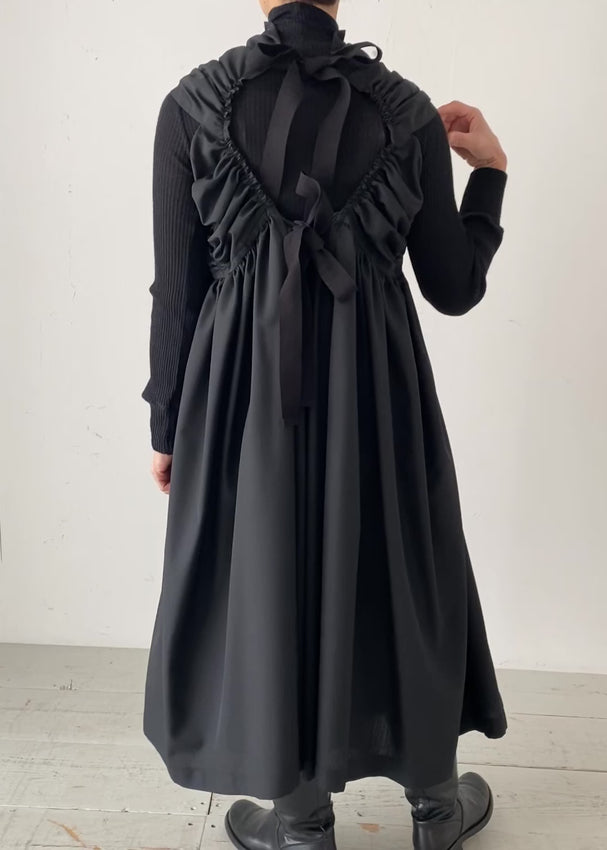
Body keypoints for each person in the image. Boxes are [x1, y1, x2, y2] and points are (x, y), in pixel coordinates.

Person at [140, 2, 509, 849]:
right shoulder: (405, 111)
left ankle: (302, 825)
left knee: (264, 579)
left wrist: (167, 423)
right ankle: (435, 808)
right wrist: (488, 173)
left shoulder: (190, 106)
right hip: (378, 392)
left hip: (239, 403)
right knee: (399, 573)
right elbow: (453, 288)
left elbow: (176, 294)